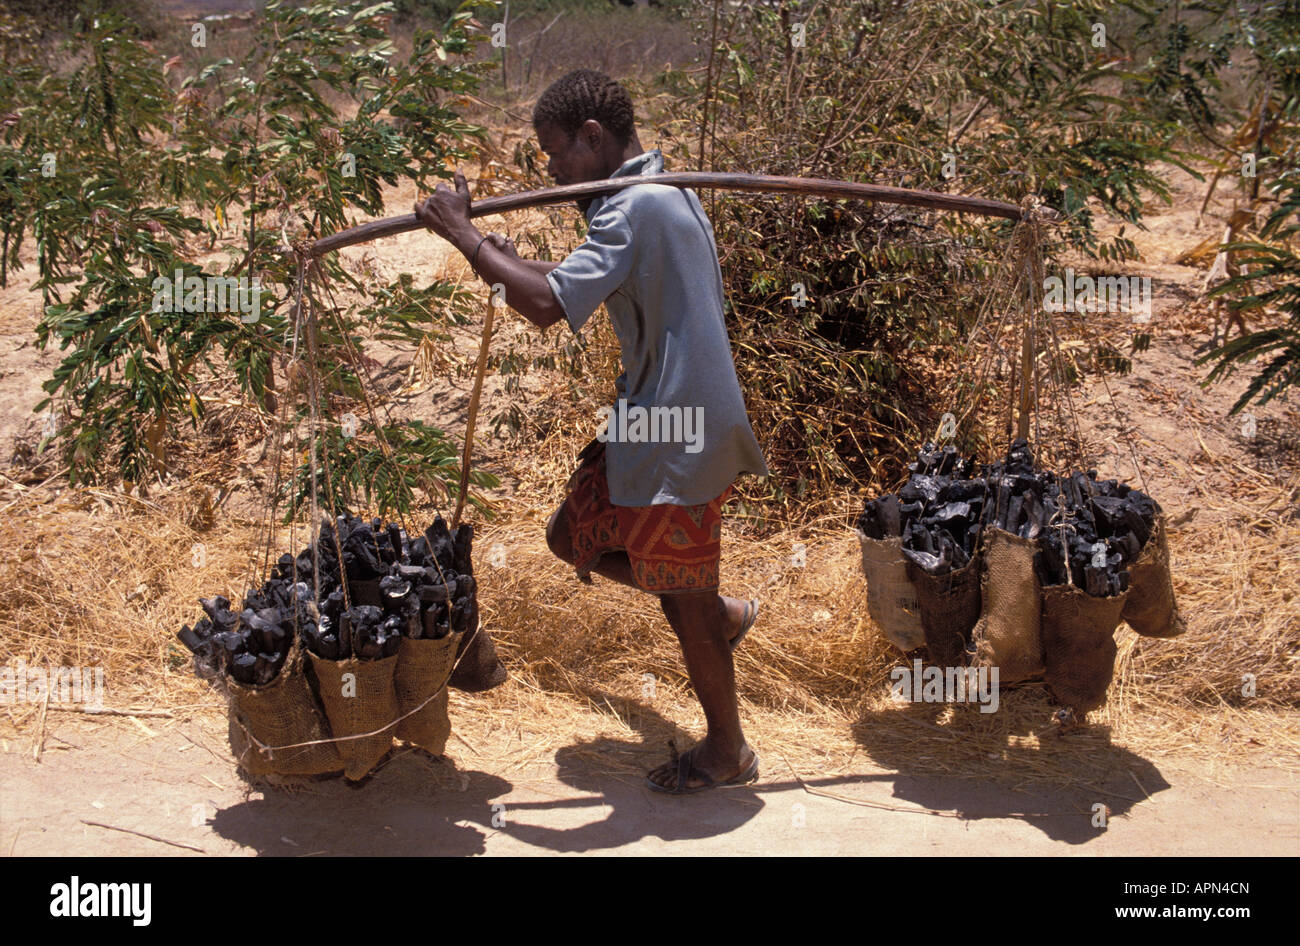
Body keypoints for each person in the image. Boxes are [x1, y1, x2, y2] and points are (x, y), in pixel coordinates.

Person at [414, 69, 769, 794]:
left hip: (681, 430)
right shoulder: (657, 194)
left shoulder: (634, 207)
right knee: (570, 537)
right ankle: (717, 609)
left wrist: (464, 236)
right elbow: (576, 279)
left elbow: (547, 307)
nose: (551, 172)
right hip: (656, 418)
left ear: (593, 137)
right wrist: (498, 257)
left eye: (556, 154)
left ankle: (726, 748)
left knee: (678, 589)